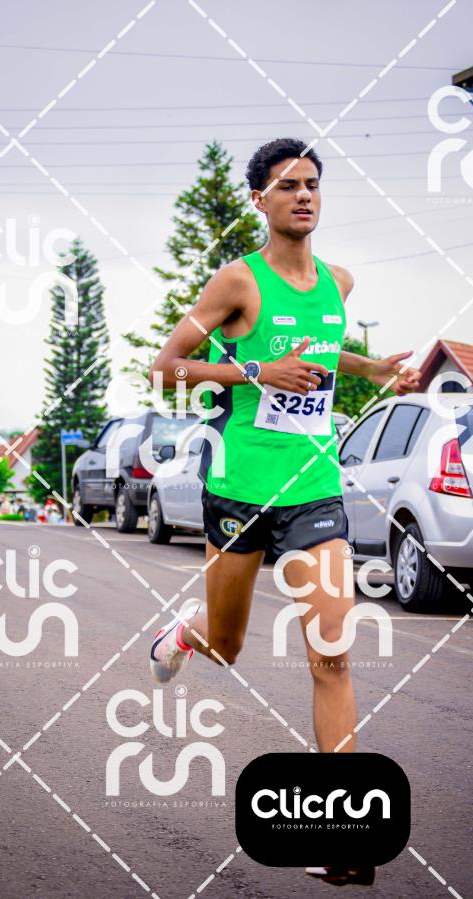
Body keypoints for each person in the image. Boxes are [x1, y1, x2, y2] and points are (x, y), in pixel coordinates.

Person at [148, 138, 421, 888]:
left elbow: (325, 354)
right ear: (259, 200)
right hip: (240, 487)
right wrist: (256, 370)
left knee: (332, 653)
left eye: (312, 184)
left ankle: (346, 835)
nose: (303, 195)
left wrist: (373, 368)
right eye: (287, 185)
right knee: (227, 644)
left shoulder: (338, 281)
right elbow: (166, 368)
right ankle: (186, 631)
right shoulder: (238, 281)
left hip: (314, 489)